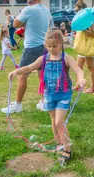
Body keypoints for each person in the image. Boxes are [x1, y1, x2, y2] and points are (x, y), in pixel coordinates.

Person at [8, 29, 86, 164]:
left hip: (63, 93)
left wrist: (80, 80)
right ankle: (59, 143)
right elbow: (29, 67)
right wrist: (17, 71)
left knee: (59, 122)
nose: (51, 49)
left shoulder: (66, 58)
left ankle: (67, 149)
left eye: (54, 46)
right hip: (49, 94)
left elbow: (78, 70)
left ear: (61, 44)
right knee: (53, 121)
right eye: (49, 46)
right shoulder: (43, 58)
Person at [1, 0, 52, 114]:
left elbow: (15, 24)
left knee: (22, 75)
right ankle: (43, 102)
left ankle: (17, 105)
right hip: (44, 47)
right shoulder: (46, 10)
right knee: (42, 75)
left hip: (31, 48)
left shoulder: (28, 10)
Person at [73, 25, 94, 93]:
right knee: (78, 67)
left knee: (90, 68)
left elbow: (93, 34)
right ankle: (78, 85)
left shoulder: (90, 23)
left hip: (88, 49)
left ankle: (93, 87)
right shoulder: (80, 22)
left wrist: (83, 30)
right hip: (82, 48)